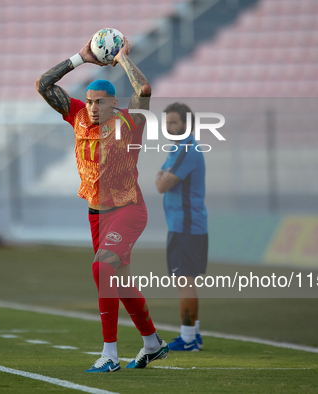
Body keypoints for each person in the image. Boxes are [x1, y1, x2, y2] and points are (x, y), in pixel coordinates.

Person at [35, 35, 168, 372]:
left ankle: (110, 355)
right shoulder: (77, 114)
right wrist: (80, 58)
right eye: (90, 101)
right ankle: (152, 343)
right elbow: (43, 83)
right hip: (97, 213)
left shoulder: (130, 121)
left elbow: (145, 91)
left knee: (102, 268)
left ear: (113, 103)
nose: (93, 107)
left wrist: (122, 58)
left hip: (128, 209)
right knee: (117, 279)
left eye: (100, 102)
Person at [155, 103, 208, 351]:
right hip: (184, 225)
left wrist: (162, 177)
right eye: (167, 123)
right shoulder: (178, 148)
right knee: (186, 280)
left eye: (173, 122)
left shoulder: (188, 149)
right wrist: (162, 177)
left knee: (185, 280)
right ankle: (193, 335)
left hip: (185, 226)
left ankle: (188, 339)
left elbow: (162, 184)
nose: (169, 127)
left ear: (186, 124)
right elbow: (161, 178)